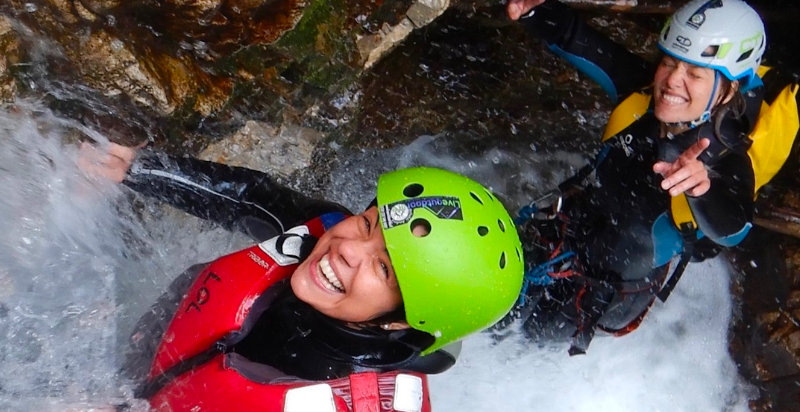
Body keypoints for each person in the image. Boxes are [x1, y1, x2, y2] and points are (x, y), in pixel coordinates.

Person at [79, 142, 524, 411]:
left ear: (400, 321)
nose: (347, 247)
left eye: (384, 268)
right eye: (370, 225)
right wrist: (138, 170)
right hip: (140, 380)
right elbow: (249, 198)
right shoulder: (324, 231)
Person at [498, 0, 788, 354]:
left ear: (728, 90)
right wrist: (534, 11)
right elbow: (578, 38)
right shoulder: (645, 94)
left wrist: (702, 189)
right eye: (669, 62)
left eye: (695, 74)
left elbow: (733, 227)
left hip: (606, 292)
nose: (672, 81)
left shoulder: (726, 158)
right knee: (487, 305)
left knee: (519, 343)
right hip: (564, 231)